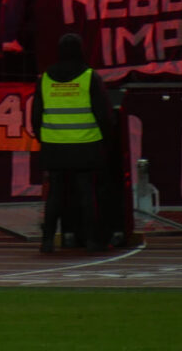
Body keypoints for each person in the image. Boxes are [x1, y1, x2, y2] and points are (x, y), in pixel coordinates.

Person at [32, 32, 116, 253]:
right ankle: (91, 240)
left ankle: (48, 241)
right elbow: (104, 114)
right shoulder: (89, 76)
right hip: (86, 143)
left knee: (55, 194)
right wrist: (107, 140)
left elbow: (35, 115)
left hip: (54, 144)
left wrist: (44, 139)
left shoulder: (45, 78)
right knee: (87, 193)